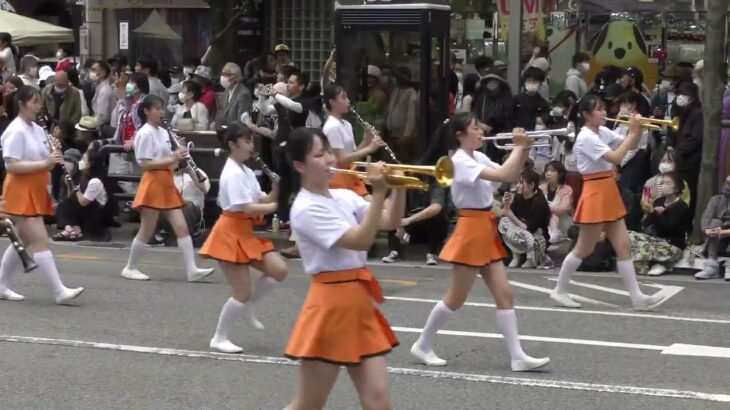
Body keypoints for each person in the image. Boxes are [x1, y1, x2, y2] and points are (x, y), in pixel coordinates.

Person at [410, 112, 550, 372]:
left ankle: (517, 355)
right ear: (460, 135)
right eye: (475, 128)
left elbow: (510, 173)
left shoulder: (478, 156)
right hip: (471, 227)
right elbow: (502, 175)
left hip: (484, 226)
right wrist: (520, 147)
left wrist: (523, 149)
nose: (481, 131)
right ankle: (423, 343)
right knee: (456, 298)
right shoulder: (461, 161)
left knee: (504, 294)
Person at [283, 127, 405, 410]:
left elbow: (390, 220)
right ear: (299, 166)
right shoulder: (304, 208)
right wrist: (379, 192)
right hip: (330, 306)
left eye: (327, 151)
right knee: (309, 404)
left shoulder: (342, 196)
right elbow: (361, 240)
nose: (328, 159)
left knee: (379, 402)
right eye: (318, 154)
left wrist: (398, 188)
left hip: (358, 302)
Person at [549, 94, 668, 310]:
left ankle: (637, 297)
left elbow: (626, 144)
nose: (604, 113)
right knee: (583, 248)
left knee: (623, 246)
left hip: (607, 188)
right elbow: (615, 157)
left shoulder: (601, 131)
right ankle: (560, 289)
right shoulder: (585, 137)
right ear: (586, 115)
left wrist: (638, 128)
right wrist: (633, 131)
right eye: (598, 110)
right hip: (595, 190)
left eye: (604, 108)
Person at [201, 123, 287, 353]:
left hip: (243, 231)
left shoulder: (247, 171)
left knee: (278, 270)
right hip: (229, 232)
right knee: (241, 291)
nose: (252, 146)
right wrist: (280, 205)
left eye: (251, 141)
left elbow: (263, 199)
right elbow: (249, 209)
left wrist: (278, 188)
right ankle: (219, 337)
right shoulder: (232, 173)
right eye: (247, 141)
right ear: (233, 144)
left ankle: (249, 304)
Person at [0, 85, 84, 304]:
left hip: (35, 187)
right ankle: (59, 291)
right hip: (20, 188)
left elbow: (46, 168)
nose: (39, 106)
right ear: (21, 104)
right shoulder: (15, 130)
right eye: (34, 102)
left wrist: (52, 154)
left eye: (39, 102)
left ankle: (1, 284)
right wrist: (45, 162)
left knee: (24, 238)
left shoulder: (38, 130)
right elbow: (12, 165)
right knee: (40, 239)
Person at [120, 95, 214, 282]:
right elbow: (145, 164)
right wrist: (172, 158)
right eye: (156, 109)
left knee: (181, 227)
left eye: (161, 108)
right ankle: (130, 267)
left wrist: (178, 154)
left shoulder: (163, 132)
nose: (161, 112)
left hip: (166, 181)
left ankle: (192, 269)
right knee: (147, 229)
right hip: (153, 182)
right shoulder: (144, 133)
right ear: (146, 111)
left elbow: (167, 158)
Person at [322, 84, 385, 197]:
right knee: (376, 209)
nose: (348, 101)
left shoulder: (347, 125)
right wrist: (370, 148)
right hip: (338, 181)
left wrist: (367, 139)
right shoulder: (332, 126)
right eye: (343, 97)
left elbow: (353, 155)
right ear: (332, 102)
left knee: (379, 208)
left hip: (351, 176)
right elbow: (342, 159)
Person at [629, 171, 690, 276]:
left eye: (667, 183)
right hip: (655, 240)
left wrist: (654, 212)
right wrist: (650, 211)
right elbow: (646, 224)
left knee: (643, 247)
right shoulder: (659, 201)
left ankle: (658, 264)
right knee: (628, 234)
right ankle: (649, 263)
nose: (663, 186)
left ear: (676, 188)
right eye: (662, 183)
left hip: (672, 245)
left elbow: (667, 228)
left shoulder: (681, 206)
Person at [53, 149, 119, 241]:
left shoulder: (95, 181)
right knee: (65, 202)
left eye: (84, 160)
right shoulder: (84, 176)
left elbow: (84, 202)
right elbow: (71, 198)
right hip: (86, 211)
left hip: (97, 215)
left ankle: (74, 229)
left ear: (90, 163)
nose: (81, 162)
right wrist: (69, 185)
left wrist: (75, 188)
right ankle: (70, 229)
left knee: (69, 203)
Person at [499, 170, 552, 268]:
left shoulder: (540, 202)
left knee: (527, 234)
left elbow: (529, 228)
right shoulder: (519, 196)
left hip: (537, 236)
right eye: (518, 183)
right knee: (503, 222)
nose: (518, 185)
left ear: (531, 185)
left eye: (521, 183)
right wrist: (506, 207)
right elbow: (508, 215)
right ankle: (516, 255)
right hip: (522, 232)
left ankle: (533, 258)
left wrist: (510, 214)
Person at [694, 175, 730, 280]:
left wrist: (725, 232)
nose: (728, 186)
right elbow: (706, 217)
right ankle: (712, 264)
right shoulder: (716, 200)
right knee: (715, 222)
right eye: (727, 183)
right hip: (719, 239)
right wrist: (707, 230)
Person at [539, 161, 574, 244]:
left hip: (561, 221)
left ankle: (555, 233)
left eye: (552, 171)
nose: (548, 173)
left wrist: (547, 208)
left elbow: (564, 209)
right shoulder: (541, 188)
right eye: (547, 171)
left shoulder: (567, 189)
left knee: (553, 214)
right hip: (543, 218)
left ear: (560, 174)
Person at [90, 60, 116, 131]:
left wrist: (92, 127)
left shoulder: (104, 91)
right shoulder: (99, 88)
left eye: (94, 70)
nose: (91, 72)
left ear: (102, 73)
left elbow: (102, 116)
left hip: (103, 128)